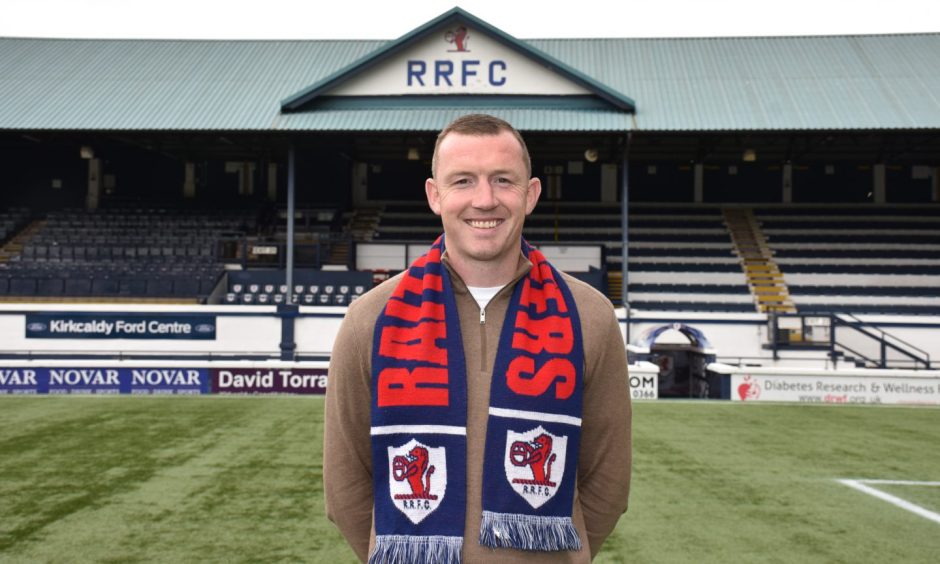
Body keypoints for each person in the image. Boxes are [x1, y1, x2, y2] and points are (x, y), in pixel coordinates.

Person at [324, 114, 631, 563]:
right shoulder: (371, 318)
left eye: (503, 180)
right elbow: (346, 484)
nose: (484, 200)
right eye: (463, 180)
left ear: (530, 195)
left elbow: (608, 479)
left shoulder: (590, 315)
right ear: (435, 195)